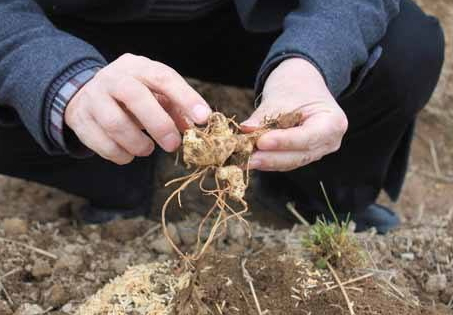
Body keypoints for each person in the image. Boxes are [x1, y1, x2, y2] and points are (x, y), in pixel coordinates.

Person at [0, 0, 445, 233]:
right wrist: (63, 80)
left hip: (245, 18)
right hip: (71, 23)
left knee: (404, 46)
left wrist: (310, 63)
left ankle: (309, 192)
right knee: (27, 77)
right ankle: (112, 177)